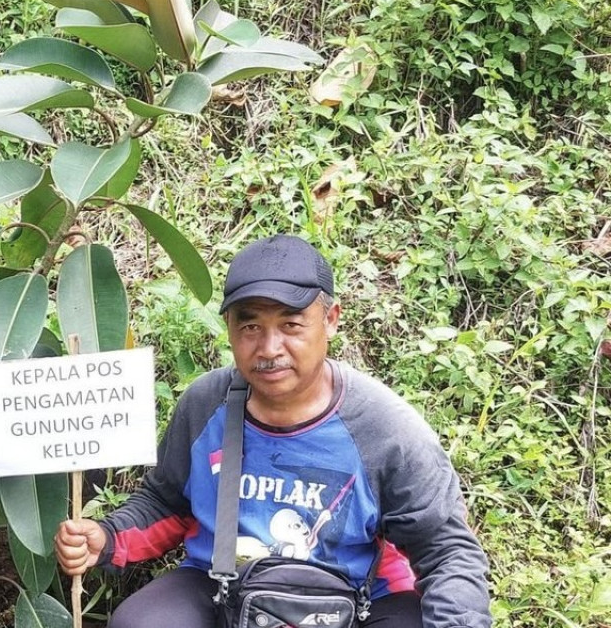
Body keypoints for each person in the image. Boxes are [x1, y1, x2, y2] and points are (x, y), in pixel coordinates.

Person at [54, 234, 492, 627]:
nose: (269, 348)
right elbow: (168, 502)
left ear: (331, 319)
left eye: (291, 324)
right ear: (228, 328)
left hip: (357, 599)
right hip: (220, 589)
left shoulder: (387, 430)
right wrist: (106, 538)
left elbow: (447, 551)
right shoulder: (208, 404)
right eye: (250, 326)